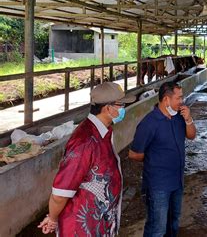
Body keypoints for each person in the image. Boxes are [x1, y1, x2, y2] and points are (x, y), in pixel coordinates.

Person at [38, 82, 135, 236]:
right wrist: (53, 218)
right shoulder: (85, 141)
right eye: (121, 105)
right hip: (82, 228)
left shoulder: (103, 132)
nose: (123, 109)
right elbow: (60, 194)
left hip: (99, 223)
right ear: (108, 109)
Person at [129, 82, 196, 237]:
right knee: (157, 228)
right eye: (179, 97)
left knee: (173, 222)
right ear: (166, 100)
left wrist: (189, 119)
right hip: (158, 185)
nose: (182, 101)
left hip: (177, 181)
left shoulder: (179, 117)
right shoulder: (149, 123)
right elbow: (134, 153)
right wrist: (154, 158)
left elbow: (191, 135)